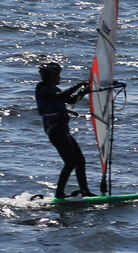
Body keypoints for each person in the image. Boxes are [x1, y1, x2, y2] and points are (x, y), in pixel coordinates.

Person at [35, 62, 95, 199]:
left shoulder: (53, 89)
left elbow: (72, 100)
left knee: (79, 160)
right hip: (55, 130)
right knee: (70, 162)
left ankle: (85, 191)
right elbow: (61, 97)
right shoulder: (44, 90)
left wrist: (85, 91)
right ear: (51, 76)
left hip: (63, 129)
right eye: (58, 75)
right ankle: (59, 194)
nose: (60, 78)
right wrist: (79, 85)